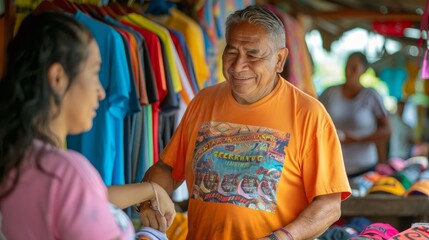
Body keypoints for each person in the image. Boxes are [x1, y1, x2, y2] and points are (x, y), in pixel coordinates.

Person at [138, 5, 351, 240]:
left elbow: (330, 204)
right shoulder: (204, 101)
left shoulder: (309, 114)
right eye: (231, 52)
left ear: (279, 60)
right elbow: (168, 169)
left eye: (253, 55)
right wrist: (150, 200)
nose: (238, 66)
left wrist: (282, 237)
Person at [0, 11, 175, 239]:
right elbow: (73, 192)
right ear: (58, 78)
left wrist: (151, 190)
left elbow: (77, 199)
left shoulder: (17, 156)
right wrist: (151, 235)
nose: (101, 92)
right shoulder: (68, 172)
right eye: (95, 74)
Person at [319, 52, 391, 178]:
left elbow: (386, 130)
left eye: (354, 68)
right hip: (333, 167)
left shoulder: (371, 96)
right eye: (347, 67)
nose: (348, 72)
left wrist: (359, 139)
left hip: (364, 168)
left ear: (364, 70)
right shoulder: (329, 93)